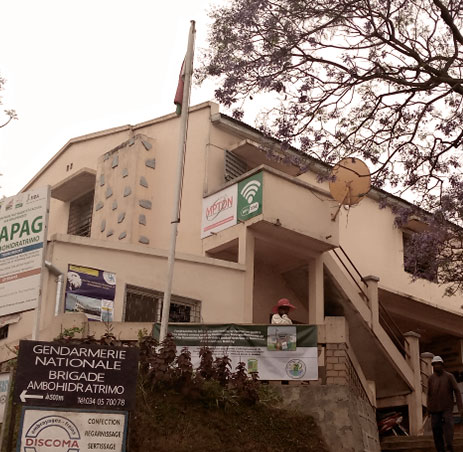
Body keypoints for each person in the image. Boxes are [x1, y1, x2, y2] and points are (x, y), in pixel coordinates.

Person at [426, 355, 463, 452]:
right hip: (434, 409)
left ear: (442, 365)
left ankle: (449, 446)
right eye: (434, 364)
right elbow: (429, 394)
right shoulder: (431, 378)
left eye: (438, 364)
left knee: (449, 426)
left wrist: (460, 408)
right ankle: (440, 449)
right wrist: (428, 408)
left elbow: (457, 391)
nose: (436, 366)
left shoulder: (449, 376)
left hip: (447, 407)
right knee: (436, 429)